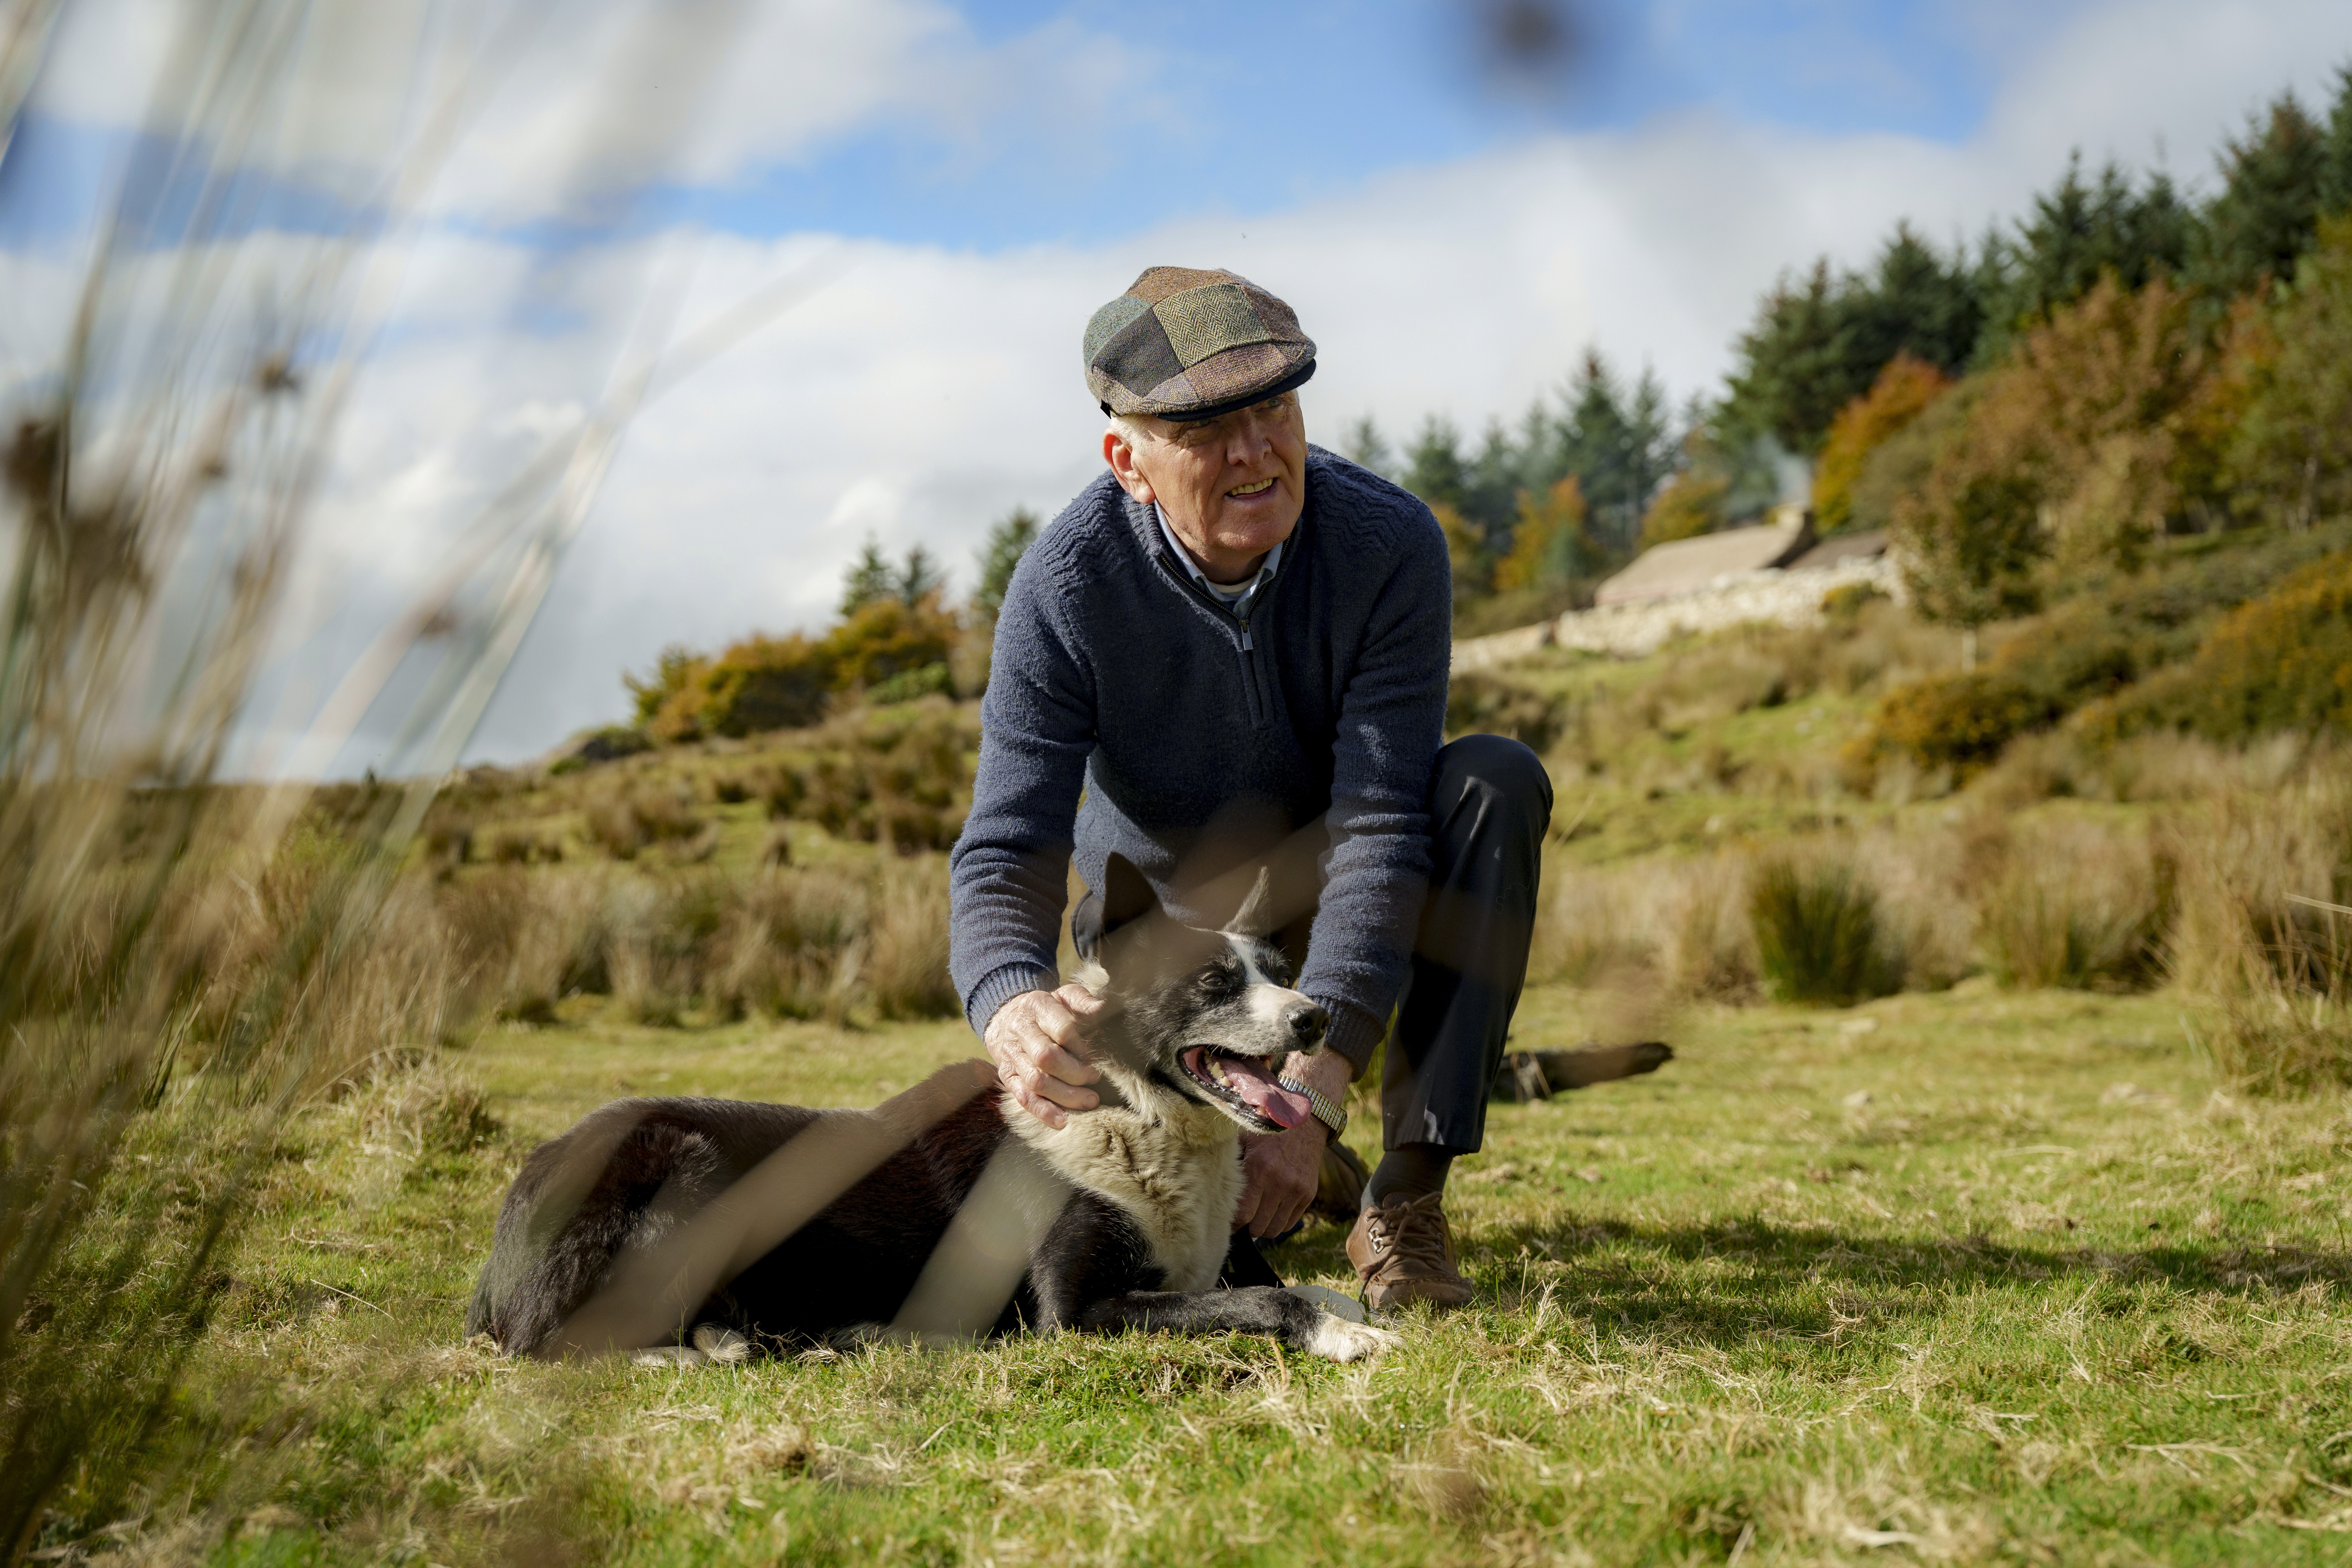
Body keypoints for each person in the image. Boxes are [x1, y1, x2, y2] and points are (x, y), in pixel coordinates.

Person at [948, 266, 1551, 1311]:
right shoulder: (1065, 588)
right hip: (1175, 939)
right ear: (1126, 460)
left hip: (1343, 891)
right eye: (1203, 430)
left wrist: (1313, 1096)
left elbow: (1379, 826)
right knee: (1188, 1238)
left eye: (1274, 407)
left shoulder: (1389, 546)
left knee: (1493, 781)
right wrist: (1010, 1004)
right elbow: (1006, 847)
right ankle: (1251, 1173)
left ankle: (1400, 1204)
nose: (1254, 452)